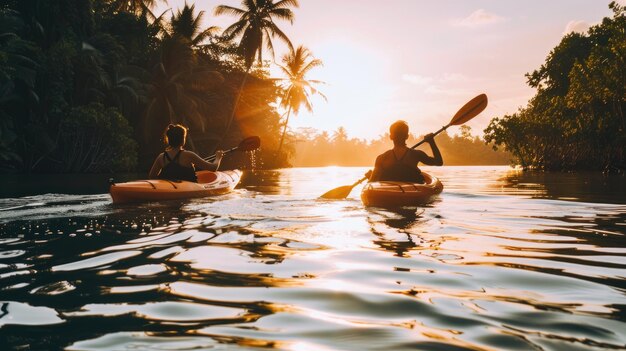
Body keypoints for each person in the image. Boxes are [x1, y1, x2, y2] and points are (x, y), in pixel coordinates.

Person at [369, 120, 443, 183]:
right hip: (412, 194)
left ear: (391, 137)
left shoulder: (382, 158)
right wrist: (431, 142)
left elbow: (372, 182)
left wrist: (370, 176)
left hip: (389, 194)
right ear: (407, 136)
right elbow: (439, 162)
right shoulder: (416, 154)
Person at [149, 124, 224, 182]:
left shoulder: (161, 157)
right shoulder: (189, 155)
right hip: (187, 192)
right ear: (183, 140)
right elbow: (213, 168)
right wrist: (218, 157)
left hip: (168, 190)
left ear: (169, 140)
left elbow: (152, 176)